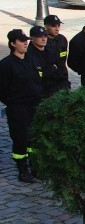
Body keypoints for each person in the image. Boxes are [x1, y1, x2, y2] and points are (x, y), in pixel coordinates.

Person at [0, 29, 43, 183]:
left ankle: (36, 168)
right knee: (21, 139)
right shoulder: (6, 65)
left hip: (34, 106)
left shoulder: (31, 59)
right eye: (21, 40)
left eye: (26, 40)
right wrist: (13, 103)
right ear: (13, 44)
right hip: (18, 108)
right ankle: (23, 171)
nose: (26, 43)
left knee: (34, 139)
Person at [25, 25, 65, 99]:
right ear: (31, 38)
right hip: (39, 95)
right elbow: (35, 78)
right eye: (40, 37)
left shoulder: (52, 51)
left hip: (56, 91)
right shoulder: (28, 56)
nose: (44, 39)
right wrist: (52, 69)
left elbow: (61, 70)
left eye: (45, 36)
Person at [41, 14, 70, 95]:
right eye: (54, 26)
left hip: (62, 77)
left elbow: (64, 57)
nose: (57, 29)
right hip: (48, 80)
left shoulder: (62, 39)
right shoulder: (41, 41)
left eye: (58, 26)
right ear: (46, 26)